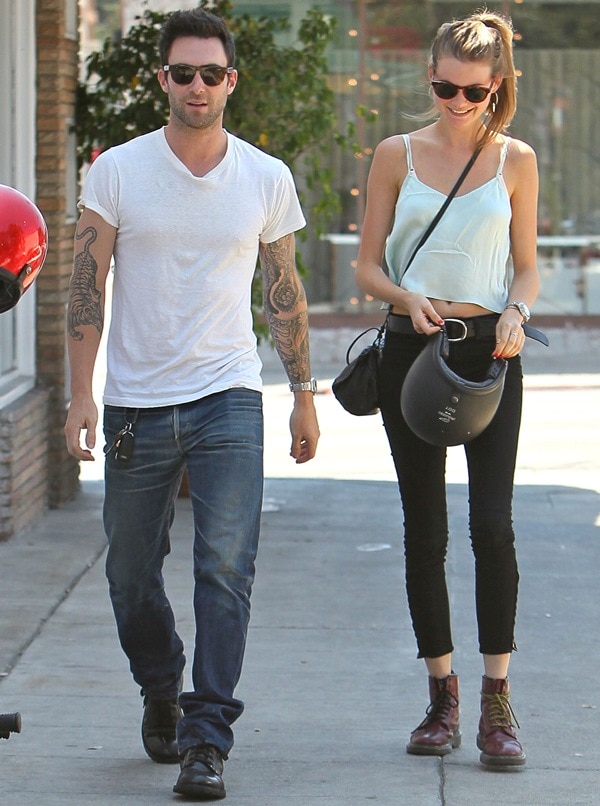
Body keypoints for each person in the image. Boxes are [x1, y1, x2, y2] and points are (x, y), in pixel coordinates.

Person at [64, 8, 320, 800]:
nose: (198, 86)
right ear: (163, 79)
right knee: (130, 575)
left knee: (224, 568)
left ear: (230, 81)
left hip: (229, 397)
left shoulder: (265, 178)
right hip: (137, 404)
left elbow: (284, 294)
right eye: (184, 73)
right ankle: (161, 682)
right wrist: (81, 392)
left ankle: (207, 736)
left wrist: (303, 394)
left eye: (212, 73)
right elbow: (85, 285)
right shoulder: (117, 171)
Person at [355, 10, 539, 768]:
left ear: (496, 86)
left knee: (491, 526)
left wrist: (521, 310)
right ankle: (442, 697)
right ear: (428, 78)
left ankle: (498, 701)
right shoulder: (396, 153)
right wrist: (405, 300)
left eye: (469, 91)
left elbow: (524, 264)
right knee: (423, 530)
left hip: (492, 352)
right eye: (441, 87)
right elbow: (368, 266)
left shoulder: (516, 161)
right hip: (413, 353)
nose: (454, 102)